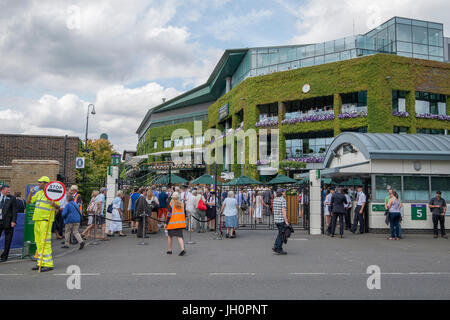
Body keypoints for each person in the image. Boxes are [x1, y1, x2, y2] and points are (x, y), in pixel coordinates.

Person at [26, 176, 60, 272]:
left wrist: (54, 205)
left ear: (45, 183)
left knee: (45, 242)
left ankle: (48, 264)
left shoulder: (52, 194)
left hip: (46, 220)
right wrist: (31, 193)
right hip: (37, 220)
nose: (38, 184)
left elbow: (58, 207)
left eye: (40, 182)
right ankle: (40, 263)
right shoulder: (39, 193)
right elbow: (28, 202)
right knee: (39, 242)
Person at [165, 192, 186, 256]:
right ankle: (182, 249)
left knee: (170, 236)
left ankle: (169, 250)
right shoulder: (182, 204)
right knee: (180, 236)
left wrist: (166, 223)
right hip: (180, 223)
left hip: (172, 223)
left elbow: (169, 215)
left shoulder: (171, 204)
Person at [0, 185, 17, 262]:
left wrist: (13, 221)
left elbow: (14, 210)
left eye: (9, 190)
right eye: (7, 191)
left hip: (8, 222)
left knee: (8, 240)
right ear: (2, 190)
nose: (9, 192)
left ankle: (4, 256)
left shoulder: (12, 198)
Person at [272, 189, 289, 255]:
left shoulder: (275, 199)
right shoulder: (283, 200)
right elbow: (283, 211)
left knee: (280, 233)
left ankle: (276, 246)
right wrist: (286, 221)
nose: (285, 193)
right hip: (281, 219)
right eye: (284, 192)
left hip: (276, 219)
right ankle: (278, 249)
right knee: (282, 235)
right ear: (282, 193)